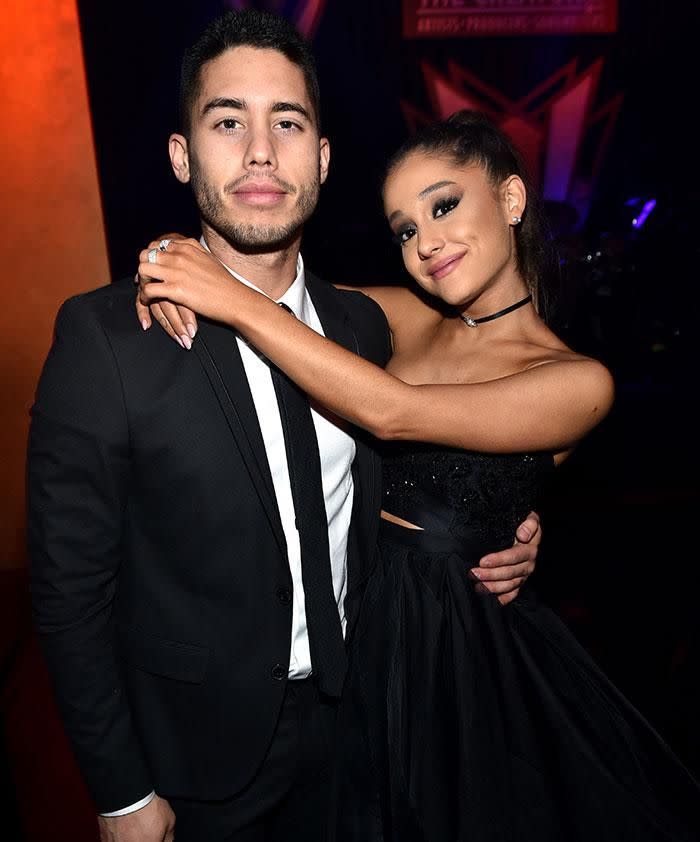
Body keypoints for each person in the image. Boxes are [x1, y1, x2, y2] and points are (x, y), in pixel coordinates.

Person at [27, 12, 541, 842]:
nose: (261, 150)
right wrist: (120, 792)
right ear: (181, 156)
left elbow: (438, 441)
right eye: (228, 121)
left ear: (324, 159)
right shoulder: (110, 338)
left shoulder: (366, 330)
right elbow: (67, 592)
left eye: (288, 123)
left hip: (369, 723)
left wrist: (505, 524)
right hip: (197, 763)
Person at [135, 110, 700, 841]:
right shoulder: (404, 314)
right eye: (404, 229)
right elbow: (278, 285)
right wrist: (175, 255)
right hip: (353, 603)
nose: (425, 242)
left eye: (443, 205)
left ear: (510, 201)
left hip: (450, 647)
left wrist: (225, 297)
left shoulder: (579, 380)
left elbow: (393, 414)